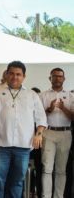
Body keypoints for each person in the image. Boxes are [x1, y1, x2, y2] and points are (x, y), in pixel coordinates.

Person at [0, 61, 47, 198]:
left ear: (24, 76)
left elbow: (41, 118)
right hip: (0, 144)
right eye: (12, 74)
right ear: (7, 74)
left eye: (18, 74)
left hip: (23, 146)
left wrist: (38, 134)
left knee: (17, 182)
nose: (15, 77)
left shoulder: (32, 95)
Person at [39, 68, 74, 198]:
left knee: (61, 170)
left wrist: (63, 108)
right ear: (50, 78)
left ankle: (58, 196)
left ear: (64, 79)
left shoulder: (71, 96)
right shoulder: (43, 95)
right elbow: (38, 116)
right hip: (48, 132)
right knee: (47, 168)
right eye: (55, 76)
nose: (58, 78)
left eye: (60, 76)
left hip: (65, 133)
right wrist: (50, 108)